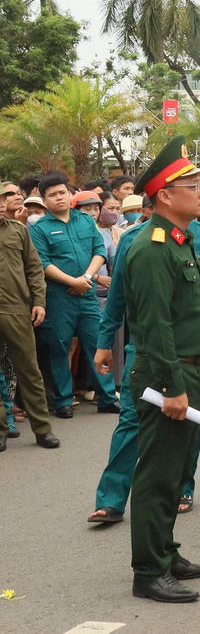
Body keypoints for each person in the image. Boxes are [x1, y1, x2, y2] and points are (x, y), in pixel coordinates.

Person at [87, 181, 200, 526]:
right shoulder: (137, 241)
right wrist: (105, 341)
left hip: (193, 350)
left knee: (186, 421)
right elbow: (120, 294)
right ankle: (111, 499)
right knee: (130, 422)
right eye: (192, 186)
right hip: (148, 348)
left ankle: (182, 486)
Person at [124, 136, 200, 603]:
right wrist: (171, 386)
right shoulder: (151, 248)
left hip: (190, 372)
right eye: (193, 184)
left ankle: (166, 552)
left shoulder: (180, 241)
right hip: (169, 377)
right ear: (165, 195)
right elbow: (154, 324)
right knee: (158, 474)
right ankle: (148, 571)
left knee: (175, 467)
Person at [29, 172, 119, 417]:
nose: (59, 198)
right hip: (58, 297)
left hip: (87, 294)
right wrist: (73, 281)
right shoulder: (39, 228)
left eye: (62, 192)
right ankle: (63, 401)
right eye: (52, 195)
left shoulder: (86, 220)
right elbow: (43, 263)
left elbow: (98, 251)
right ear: (44, 199)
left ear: (70, 194)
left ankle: (108, 397)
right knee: (59, 347)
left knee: (97, 342)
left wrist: (86, 279)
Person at [0, 194, 59, 452]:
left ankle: (43, 429)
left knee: (29, 370)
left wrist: (39, 301)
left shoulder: (18, 231)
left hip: (15, 308)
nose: (2, 203)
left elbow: (34, 269)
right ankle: (1, 429)